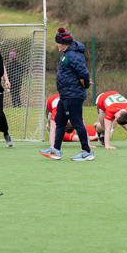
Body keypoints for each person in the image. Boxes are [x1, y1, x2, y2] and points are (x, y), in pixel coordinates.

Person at [39, 27, 93, 161]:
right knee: (60, 121)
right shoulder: (67, 54)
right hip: (64, 95)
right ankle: (56, 150)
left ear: (64, 43)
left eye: (58, 42)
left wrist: (86, 84)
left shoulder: (74, 55)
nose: (56, 45)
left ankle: (87, 151)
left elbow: (84, 73)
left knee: (77, 123)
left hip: (73, 96)